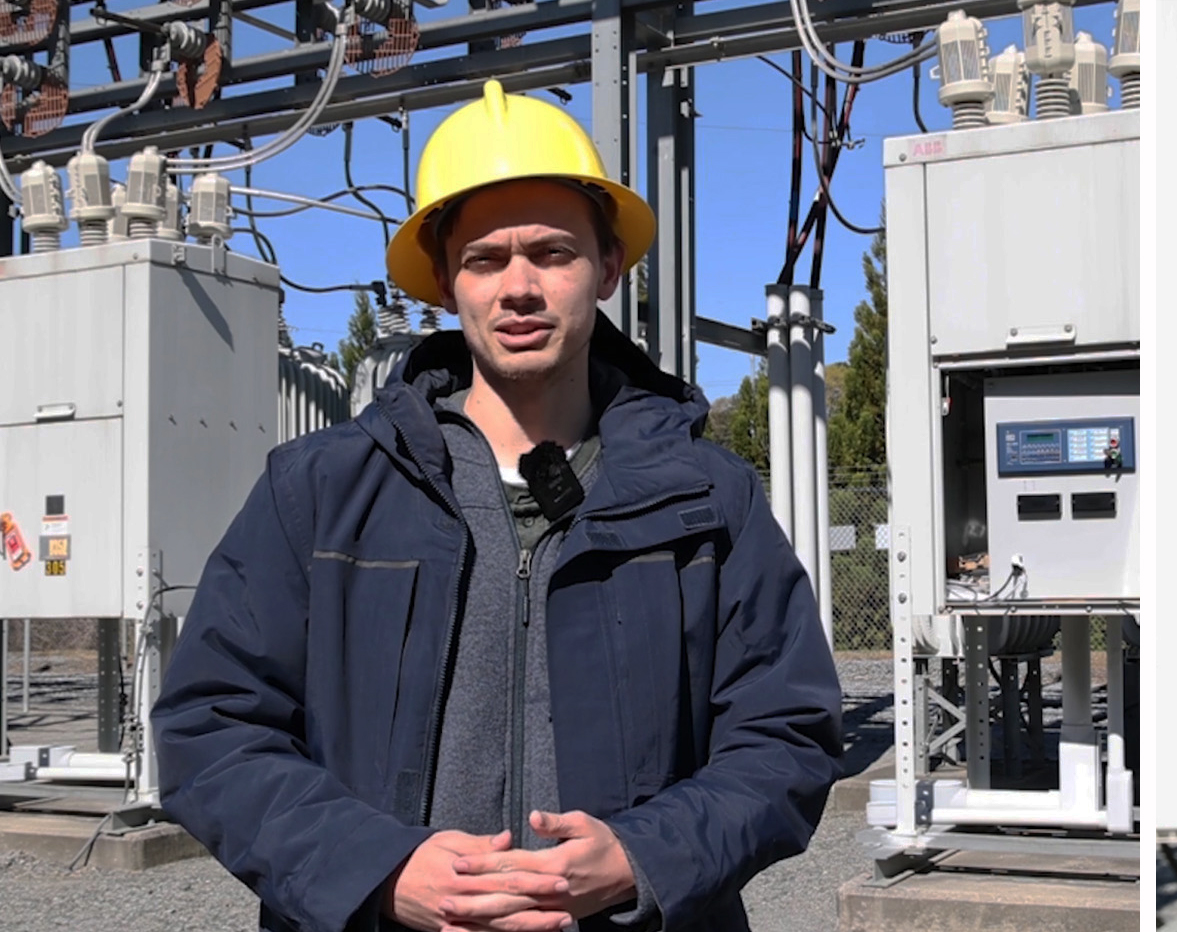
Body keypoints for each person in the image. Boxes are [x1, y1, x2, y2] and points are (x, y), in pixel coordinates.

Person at [154, 80, 842, 932]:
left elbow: (788, 733)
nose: (519, 287)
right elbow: (211, 729)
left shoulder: (706, 495)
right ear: (444, 283)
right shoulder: (321, 491)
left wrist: (642, 856)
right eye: (485, 259)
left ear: (607, 268)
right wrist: (377, 870)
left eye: (552, 253)